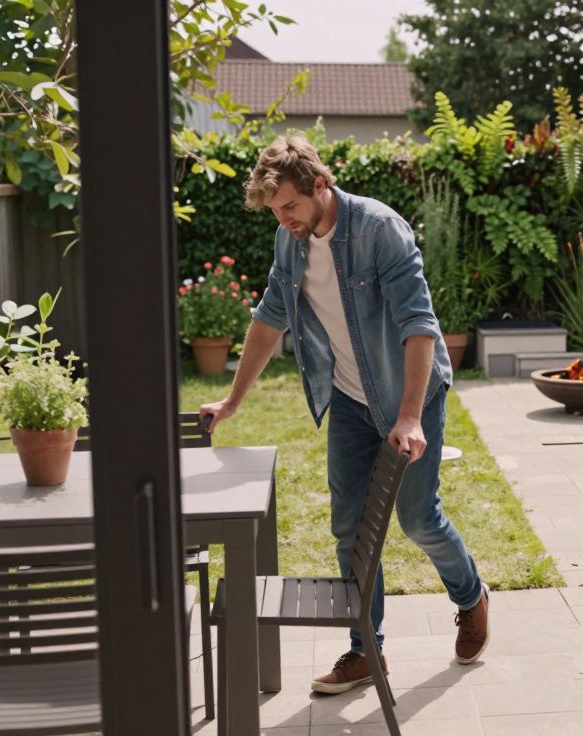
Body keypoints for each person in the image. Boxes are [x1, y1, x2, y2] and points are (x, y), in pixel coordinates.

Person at [199, 135, 489, 695]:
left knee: (417, 519)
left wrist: (409, 417)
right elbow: (268, 318)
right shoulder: (292, 241)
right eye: (275, 210)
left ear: (320, 186)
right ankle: (366, 650)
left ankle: (470, 594)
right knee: (348, 527)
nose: (282, 220)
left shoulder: (380, 228)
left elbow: (419, 324)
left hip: (411, 394)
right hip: (351, 400)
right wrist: (233, 401)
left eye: (289, 206)